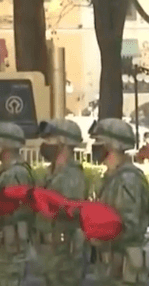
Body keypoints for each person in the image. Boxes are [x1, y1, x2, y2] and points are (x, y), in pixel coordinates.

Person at [89, 118, 149, 285]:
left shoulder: (128, 180)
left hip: (123, 272)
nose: (95, 146)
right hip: (109, 269)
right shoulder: (111, 177)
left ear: (114, 145)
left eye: (99, 141)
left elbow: (128, 227)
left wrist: (98, 232)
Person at [33, 119, 89, 286]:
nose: (45, 144)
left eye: (50, 140)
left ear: (63, 143)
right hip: (50, 252)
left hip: (65, 255)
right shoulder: (51, 173)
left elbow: (67, 210)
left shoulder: (71, 175)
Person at [0, 122, 34, 286]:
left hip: (9, 250)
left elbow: (11, 210)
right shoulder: (5, 172)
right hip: (1, 248)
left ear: (6, 144)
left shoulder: (15, 174)